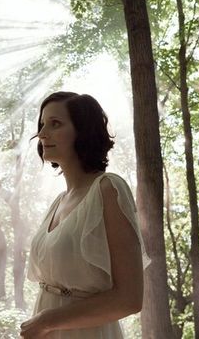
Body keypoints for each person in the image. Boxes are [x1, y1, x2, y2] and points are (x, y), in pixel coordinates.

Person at [20, 91, 148, 339]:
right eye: (42, 124)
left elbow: (130, 299)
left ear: (83, 131)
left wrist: (46, 321)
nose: (42, 133)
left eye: (55, 124)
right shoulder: (59, 201)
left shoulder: (108, 189)